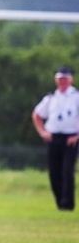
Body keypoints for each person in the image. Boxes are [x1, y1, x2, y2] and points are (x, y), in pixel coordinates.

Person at [31, 66, 79, 212]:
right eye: (60, 79)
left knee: (67, 170)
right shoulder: (51, 97)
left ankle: (67, 204)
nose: (62, 81)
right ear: (56, 80)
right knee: (54, 172)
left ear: (71, 80)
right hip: (53, 137)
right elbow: (37, 115)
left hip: (71, 138)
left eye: (65, 79)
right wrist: (42, 132)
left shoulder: (76, 96)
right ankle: (60, 202)